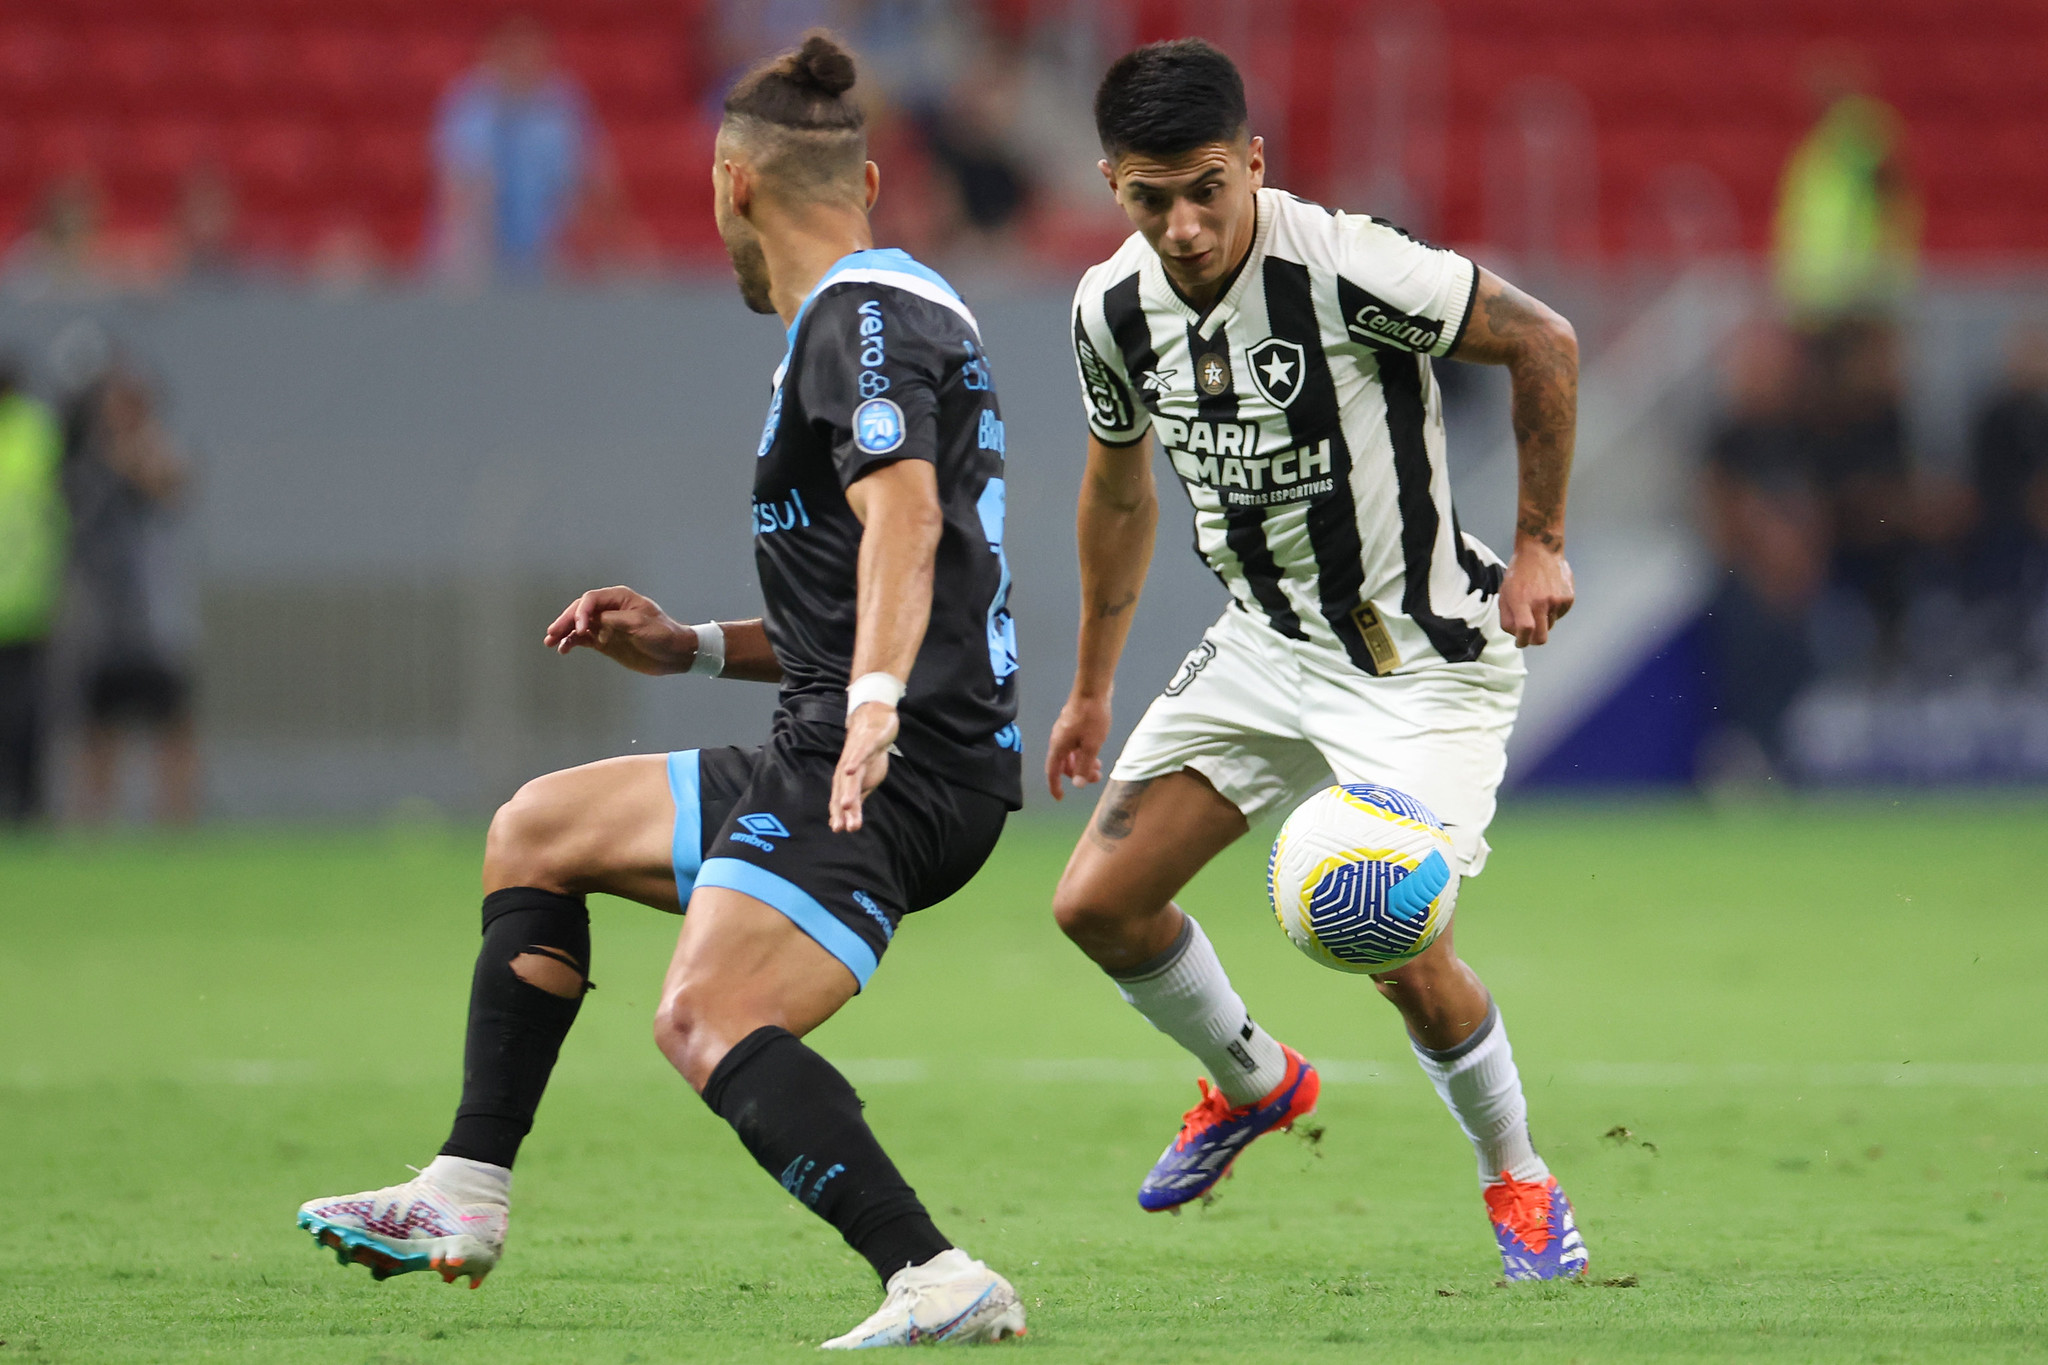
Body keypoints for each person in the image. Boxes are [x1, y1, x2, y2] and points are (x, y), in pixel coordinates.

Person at [297, 34, 1027, 1348]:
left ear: (731, 185)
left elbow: (908, 523)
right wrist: (685, 645)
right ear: (861, 178)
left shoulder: (860, 318)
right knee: (540, 828)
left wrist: (869, 705)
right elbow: (863, 585)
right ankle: (464, 1190)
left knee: (704, 1016)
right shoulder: (877, 310)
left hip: (887, 760)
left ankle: (933, 1274)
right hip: (853, 735)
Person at [1046, 41, 1588, 1281]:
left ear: (1250, 161)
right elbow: (1116, 496)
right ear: (1109, 185)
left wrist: (1540, 546)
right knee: (1094, 904)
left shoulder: (1348, 266)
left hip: (1421, 665)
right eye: (1148, 198)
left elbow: (1542, 341)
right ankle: (1251, 1083)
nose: (1181, 227)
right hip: (1262, 648)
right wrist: (1089, 684)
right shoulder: (1108, 308)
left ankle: (1518, 1179)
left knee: (1385, 936)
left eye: (1202, 190)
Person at [61, 362, 200, 824]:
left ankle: (176, 821)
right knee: (99, 729)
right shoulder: (84, 462)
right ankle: (93, 824)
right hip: (103, 622)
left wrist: (133, 446)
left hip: (156, 623)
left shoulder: (154, 452)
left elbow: (171, 483)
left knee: (172, 725)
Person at [431, 15, 595, 281]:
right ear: (495, 55)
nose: (524, 61)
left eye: (532, 52)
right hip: (477, 261)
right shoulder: (469, 104)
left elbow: (580, 186)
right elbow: (465, 191)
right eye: (515, 51)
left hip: (541, 263)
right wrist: (472, 265)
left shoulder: (565, 104)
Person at [0, 355, 66, 824]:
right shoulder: (37, 431)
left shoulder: (38, 430)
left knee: (25, 716)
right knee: (23, 713)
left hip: (25, 601)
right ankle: (24, 803)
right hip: (27, 594)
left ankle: (26, 804)